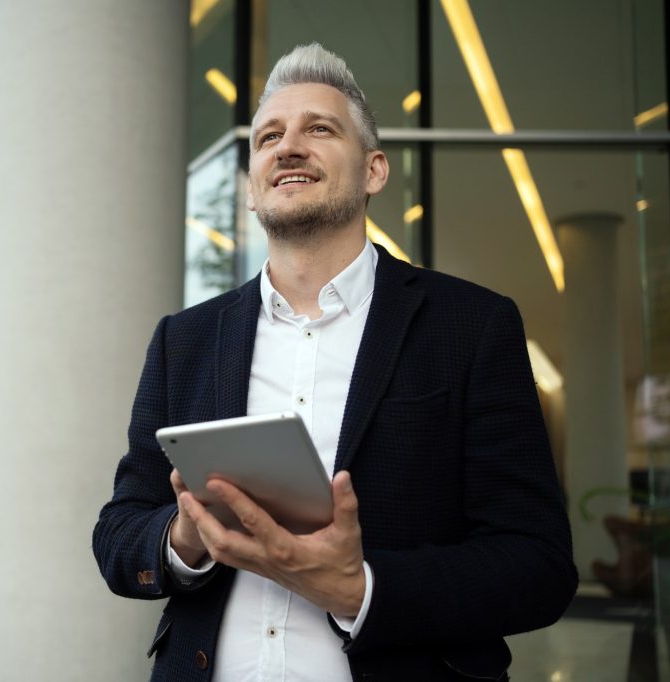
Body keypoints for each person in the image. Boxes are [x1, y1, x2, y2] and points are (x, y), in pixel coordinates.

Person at [92, 42, 577, 681]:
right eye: (268, 136)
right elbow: (119, 532)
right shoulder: (183, 340)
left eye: (319, 129)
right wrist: (184, 539)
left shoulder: (472, 326)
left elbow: (536, 565)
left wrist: (359, 588)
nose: (287, 147)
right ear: (252, 189)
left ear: (375, 171)